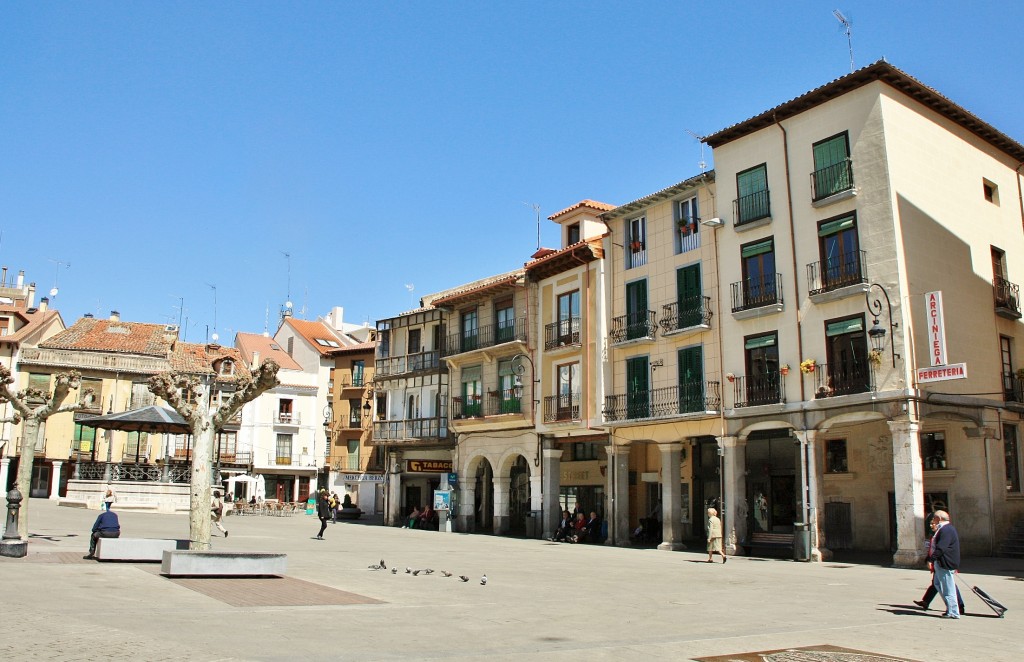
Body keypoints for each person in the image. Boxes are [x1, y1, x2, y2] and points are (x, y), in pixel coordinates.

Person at [927, 509, 961, 618]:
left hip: (945, 563)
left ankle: (953, 612)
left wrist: (931, 559)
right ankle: (950, 608)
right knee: (938, 584)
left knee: (948, 588)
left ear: (939, 519)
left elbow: (941, 547)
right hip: (941, 563)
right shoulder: (944, 529)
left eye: (934, 518)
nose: (933, 520)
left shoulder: (946, 530)